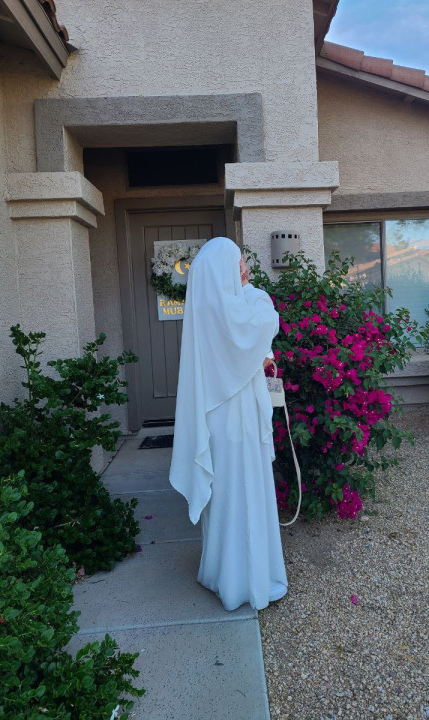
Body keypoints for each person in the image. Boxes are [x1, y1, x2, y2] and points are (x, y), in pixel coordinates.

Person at [169, 237, 287, 611]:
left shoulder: (208, 310)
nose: (244, 269)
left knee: (226, 495)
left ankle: (222, 573)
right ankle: (246, 579)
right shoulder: (238, 309)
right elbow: (267, 317)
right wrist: (251, 289)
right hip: (238, 418)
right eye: (238, 263)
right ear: (224, 270)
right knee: (244, 489)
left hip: (218, 419)